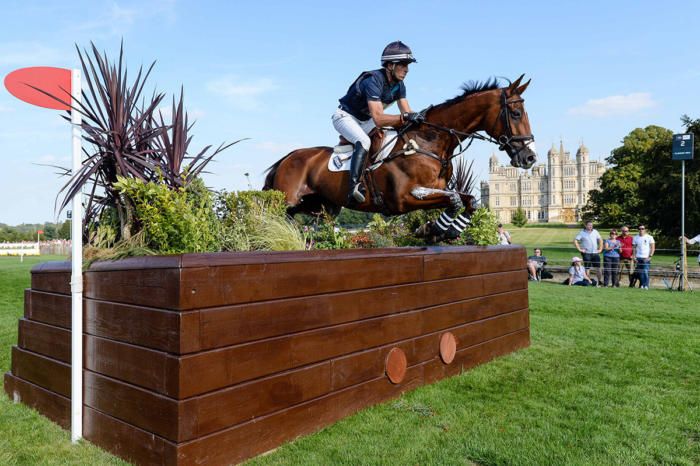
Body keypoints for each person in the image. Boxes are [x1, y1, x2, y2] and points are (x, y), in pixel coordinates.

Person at [333, 41, 423, 205]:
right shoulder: (373, 80)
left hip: (365, 121)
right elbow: (379, 119)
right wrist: (404, 118)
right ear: (390, 65)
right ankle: (354, 188)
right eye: (403, 65)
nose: (407, 70)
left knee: (393, 136)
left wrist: (420, 119)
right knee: (364, 141)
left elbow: (406, 113)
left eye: (407, 65)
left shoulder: (399, 85)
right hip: (345, 117)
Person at [574, 220, 603, 286]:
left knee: (598, 268)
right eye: (589, 225)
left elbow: (600, 240)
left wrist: (600, 249)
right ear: (585, 225)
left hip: (595, 253)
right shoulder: (581, 233)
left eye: (591, 225)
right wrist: (580, 249)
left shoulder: (595, 231)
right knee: (587, 268)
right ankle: (588, 281)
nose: (590, 226)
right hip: (586, 254)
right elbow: (575, 241)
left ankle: (600, 281)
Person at [632, 224, 655, 290]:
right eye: (640, 229)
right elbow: (634, 248)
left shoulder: (649, 237)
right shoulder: (635, 237)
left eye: (642, 228)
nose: (641, 230)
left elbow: (653, 248)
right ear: (638, 230)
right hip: (638, 257)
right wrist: (634, 257)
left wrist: (650, 256)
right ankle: (641, 285)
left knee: (645, 271)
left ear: (645, 229)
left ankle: (646, 285)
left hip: (646, 257)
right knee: (640, 272)